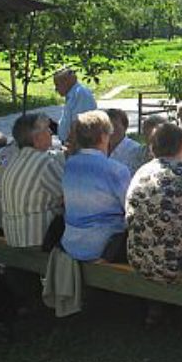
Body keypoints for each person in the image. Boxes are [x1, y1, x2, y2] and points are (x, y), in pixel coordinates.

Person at [126, 123, 182, 332]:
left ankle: (156, 312)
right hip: (176, 265)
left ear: (152, 148)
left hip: (141, 258)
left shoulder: (140, 174)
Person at [61, 110, 131, 261]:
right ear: (104, 136)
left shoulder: (69, 164)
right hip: (103, 248)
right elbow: (130, 209)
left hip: (71, 243)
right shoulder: (116, 169)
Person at [1, 113, 65, 247]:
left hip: (14, 239)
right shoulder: (44, 162)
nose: (51, 132)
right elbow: (67, 197)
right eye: (47, 129)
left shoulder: (14, 161)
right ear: (36, 138)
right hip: (39, 239)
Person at [54, 68, 97, 144]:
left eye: (57, 84)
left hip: (77, 145)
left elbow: (78, 124)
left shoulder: (80, 94)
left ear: (66, 81)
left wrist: (71, 146)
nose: (56, 89)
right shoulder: (73, 94)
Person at [106, 108, 142, 174]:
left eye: (115, 126)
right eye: (108, 126)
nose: (112, 130)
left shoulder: (135, 150)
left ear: (125, 127)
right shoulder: (98, 149)